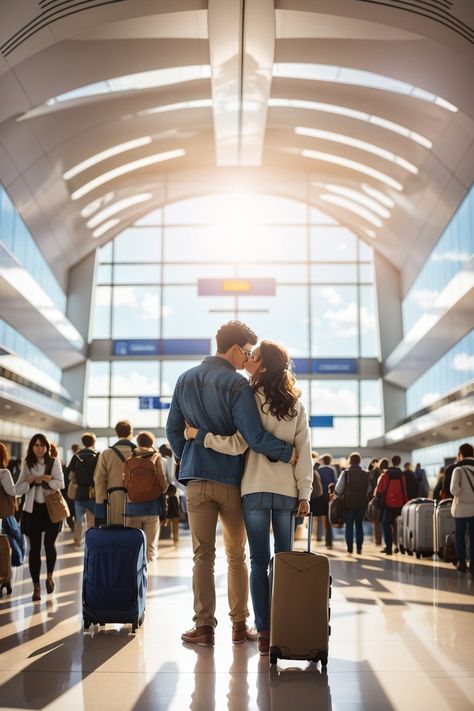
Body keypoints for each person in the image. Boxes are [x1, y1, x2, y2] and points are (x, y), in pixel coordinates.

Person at [166, 320, 296, 648]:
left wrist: (191, 454)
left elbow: (172, 431)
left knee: (202, 556)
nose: (247, 360)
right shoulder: (237, 386)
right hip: (232, 482)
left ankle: (204, 627)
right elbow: (252, 437)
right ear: (236, 349)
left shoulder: (185, 379)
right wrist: (286, 451)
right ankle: (239, 626)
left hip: (196, 480)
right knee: (236, 554)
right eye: (247, 353)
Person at [15, 433, 64, 600]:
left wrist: (44, 480)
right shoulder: (27, 462)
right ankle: (36, 587)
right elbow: (18, 489)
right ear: (32, 447)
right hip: (32, 510)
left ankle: (50, 577)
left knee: (50, 544)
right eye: (36, 445)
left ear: (47, 447)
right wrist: (29, 481)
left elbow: (60, 483)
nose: (39, 448)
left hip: (51, 509)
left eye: (42, 445)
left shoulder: (53, 461)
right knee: (34, 549)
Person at [123, 431, 167, 562]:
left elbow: (125, 482)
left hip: (132, 506)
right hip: (152, 505)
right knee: (150, 546)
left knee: (133, 544)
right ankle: (148, 574)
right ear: (151, 443)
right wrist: (163, 490)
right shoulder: (156, 458)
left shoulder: (129, 460)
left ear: (138, 443)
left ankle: (134, 573)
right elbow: (161, 478)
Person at [94, 420, 135, 525]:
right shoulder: (138, 452)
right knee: (134, 532)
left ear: (116, 433)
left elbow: (99, 479)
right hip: (136, 498)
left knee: (115, 530)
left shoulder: (107, 453)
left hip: (112, 498)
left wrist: (100, 501)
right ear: (131, 432)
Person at [335, 452, 370, 554]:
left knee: (349, 526)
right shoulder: (366, 473)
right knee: (359, 525)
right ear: (359, 461)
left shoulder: (345, 473)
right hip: (362, 503)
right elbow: (369, 489)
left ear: (350, 461)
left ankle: (350, 548)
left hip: (348, 503)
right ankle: (359, 548)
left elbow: (338, 489)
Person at [67, 432, 99, 544]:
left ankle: (77, 539)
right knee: (91, 520)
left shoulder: (77, 455)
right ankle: (91, 539)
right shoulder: (98, 455)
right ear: (94, 442)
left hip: (79, 492)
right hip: (93, 493)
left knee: (78, 519)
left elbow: (71, 476)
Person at [375, 455, 407, 555]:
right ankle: (399, 546)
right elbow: (404, 489)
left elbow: (379, 491)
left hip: (388, 504)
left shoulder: (385, 475)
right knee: (399, 525)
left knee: (385, 524)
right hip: (400, 503)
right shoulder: (401, 475)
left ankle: (388, 547)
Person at [450, 443, 474, 574]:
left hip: (461, 510)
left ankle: (462, 563)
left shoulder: (458, 470)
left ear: (461, 454)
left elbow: (454, 490)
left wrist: (463, 493)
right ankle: (473, 564)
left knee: (460, 535)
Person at [314, 453, 337, 549]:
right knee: (328, 520)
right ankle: (329, 542)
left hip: (319, 497)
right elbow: (334, 483)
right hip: (328, 498)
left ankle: (318, 537)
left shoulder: (318, 470)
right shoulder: (332, 470)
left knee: (318, 518)